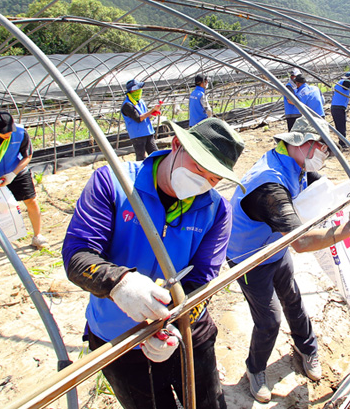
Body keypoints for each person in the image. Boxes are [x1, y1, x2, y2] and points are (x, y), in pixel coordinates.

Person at [62, 118, 245, 409]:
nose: (203, 182)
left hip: (185, 331)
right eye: (199, 168)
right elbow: (77, 256)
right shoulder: (114, 183)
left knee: (207, 402)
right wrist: (119, 283)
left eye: (213, 178)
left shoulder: (217, 209)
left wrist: (172, 324)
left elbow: (202, 278)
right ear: (176, 145)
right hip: (119, 337)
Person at [226, 117, 350, 403]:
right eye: (323, 147)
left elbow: (325, 189)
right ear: (304, 143)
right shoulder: (269, 186)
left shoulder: (294, 164)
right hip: (249, 257)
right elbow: (300, 242)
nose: (325, 154)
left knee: (293, 298)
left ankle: (307, 349)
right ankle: (255, 369)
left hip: (274, 246)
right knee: (269, 320)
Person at [0, 110, 48, 249]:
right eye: (4, 132)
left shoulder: (20, 132)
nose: (8, 134)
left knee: (30, 200)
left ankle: (37, 236)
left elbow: (27, 156)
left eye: (10, 131)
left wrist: (13, 174)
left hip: (16, 171)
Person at [121, 79, 160, 161]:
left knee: (155, 153)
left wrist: (151, 114)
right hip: (138, 135)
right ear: (132, 91)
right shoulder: (127, 105)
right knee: (141, 156)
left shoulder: (140, 101)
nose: (140, 91)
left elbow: (144, 115)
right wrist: (151, 110)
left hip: (148, 131)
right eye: (138, 89)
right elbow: (138, 118)